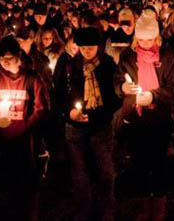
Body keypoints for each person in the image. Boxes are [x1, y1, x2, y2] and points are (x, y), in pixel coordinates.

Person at [114, 9, 174, 221]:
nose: (145, 43)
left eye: (150, 38)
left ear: (157, 36)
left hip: (159, 119)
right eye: (141, 39)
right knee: (139, 164)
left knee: (159, 165)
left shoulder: (168, 56)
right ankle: (144, 207)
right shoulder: (127, 56)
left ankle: (159, 208)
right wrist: (123, 87)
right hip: (136, 119)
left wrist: (153, 97)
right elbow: (117, 82)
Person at [54, 27, 119, 221]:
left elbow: (115, 97)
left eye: (90, 47)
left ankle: (107, 209)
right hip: (75, 127)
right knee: (80, 173)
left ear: (98, 47)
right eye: (83, 48)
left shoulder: (107, 65)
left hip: (101, 126)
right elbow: (58, 94)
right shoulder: (68, 65)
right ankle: (84, 209)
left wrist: (99, 115)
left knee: (106, 172)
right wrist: (70, 113)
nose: (86, 52)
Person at [0, 35, 49, 220]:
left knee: (26, 185)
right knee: (3, 184)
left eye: (9, 58)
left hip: (26, 141)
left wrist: (26, 126)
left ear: (19, 56)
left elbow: (42, 108)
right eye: (1, 58)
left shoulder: (31, 78)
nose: (4, 62)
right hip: (0, 140)